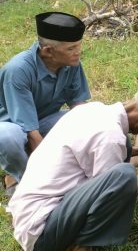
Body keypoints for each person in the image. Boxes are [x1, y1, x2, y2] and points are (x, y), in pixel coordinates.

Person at [7, 81, 138, 251]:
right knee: (124, 175)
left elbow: (93, 148)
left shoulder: (92, 110)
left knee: (121, 172)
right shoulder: (110, 137)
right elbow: (111, 190)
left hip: (29, 216)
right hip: (41, 231)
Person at [0, 12, 90, 196]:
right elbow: (30, 131)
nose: (78, 52)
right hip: (12, 125)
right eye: (71, 48)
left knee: (87, 118)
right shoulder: (18, 70)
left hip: (42, 121)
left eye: (79, 46)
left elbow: (79, 107)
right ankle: (26, 182)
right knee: (7, 137)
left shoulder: (71, 63)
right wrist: (50, 174)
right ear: (48, 51)